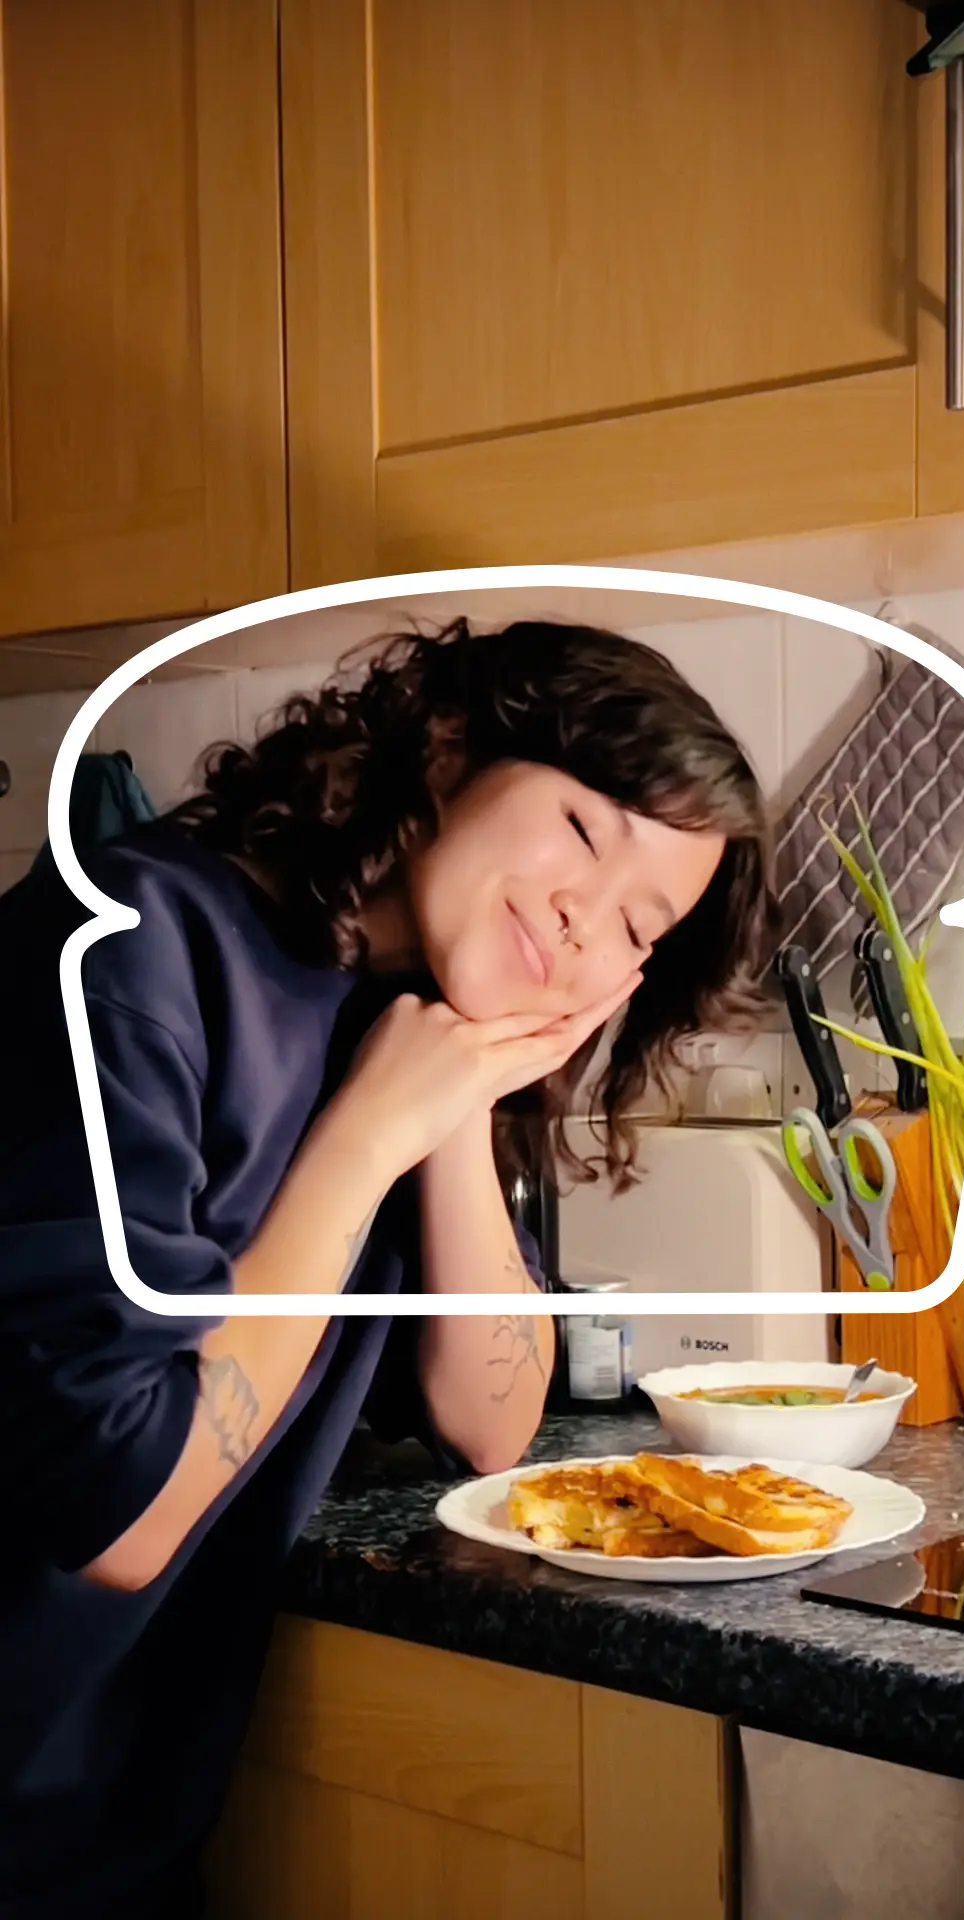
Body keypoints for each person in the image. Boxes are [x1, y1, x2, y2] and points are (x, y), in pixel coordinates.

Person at [0, 616, 775, 1918]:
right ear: (452, 747)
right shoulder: (133, 948)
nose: (592, 916)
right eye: (586, 831)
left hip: (112, 1829)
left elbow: (491, 1418)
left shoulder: (399, 1025)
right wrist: (362, 1143)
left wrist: (456, 1100)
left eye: (642, 920)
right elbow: (119, 1510)